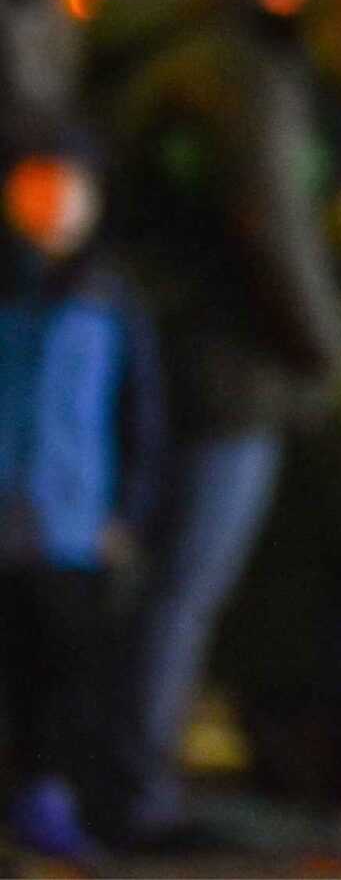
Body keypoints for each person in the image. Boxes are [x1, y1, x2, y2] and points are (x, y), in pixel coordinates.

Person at [90, 0, 341, 845]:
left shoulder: (148, 42)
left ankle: (113, 771)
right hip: (223, 365)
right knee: (180, 587)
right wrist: (320, 352)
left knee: (149, 577)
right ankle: (135, 788)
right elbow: (272, 227)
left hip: (152, 347)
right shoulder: (238, 69)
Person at [0, 123, 163, 862]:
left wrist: (123, 514)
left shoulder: (114, 301)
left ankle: (49, 801)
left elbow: (141, 415)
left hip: (70, 525)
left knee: (60, 675)